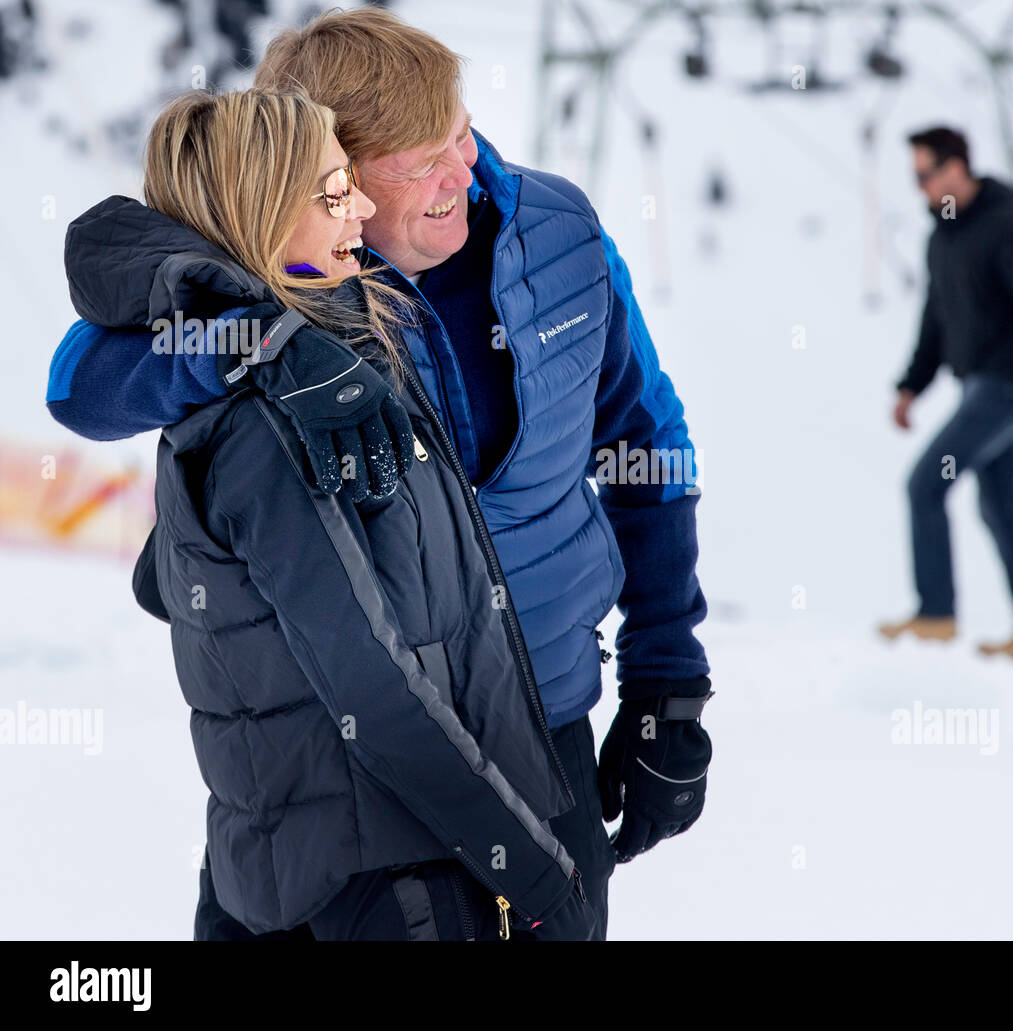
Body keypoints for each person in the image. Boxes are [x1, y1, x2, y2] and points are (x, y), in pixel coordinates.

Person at [47, 9, 713, 940]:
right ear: (332, 168)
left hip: (542, 737)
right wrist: (270, 339)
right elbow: (82, 384)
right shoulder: (280, 270)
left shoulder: (555, 234)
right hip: (338, 773)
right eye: (421, 158)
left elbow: (649, 447)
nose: (466, 172)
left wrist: (666, 684)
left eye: (463, 132)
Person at [878, 126, 1013, 660]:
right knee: (999, 504)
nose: (921, 187)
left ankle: (935, 615)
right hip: (979, 383)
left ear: (956, 170)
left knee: (926, 484)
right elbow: (935, 321)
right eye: (915, 177)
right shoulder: (943, 238)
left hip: (1010, 383)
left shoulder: (1004, 229)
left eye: (926, 175)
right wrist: (911, 386)